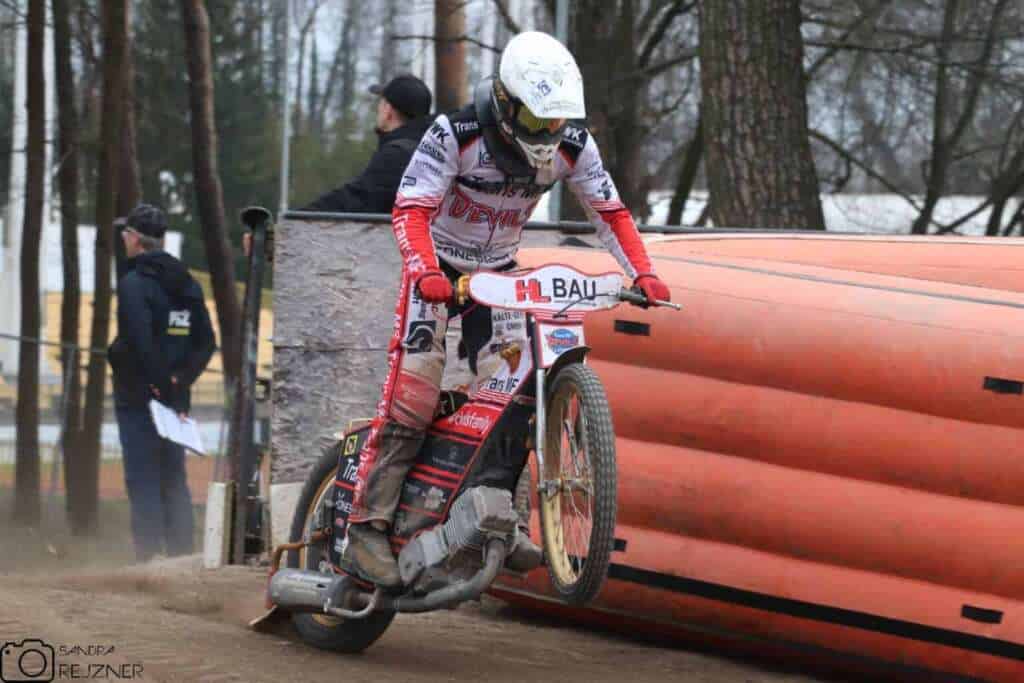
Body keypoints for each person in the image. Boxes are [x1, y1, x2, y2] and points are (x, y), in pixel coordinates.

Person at [340, 31, 671, 586]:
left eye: (557, 120)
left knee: (515, 390)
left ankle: (497, 514)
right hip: (437, 270)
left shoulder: (573, 145)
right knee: (413, 394)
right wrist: (425, 270)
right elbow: (410, 208)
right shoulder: (455, 134)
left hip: (498, 275)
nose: (549, 133)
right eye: (538, 120)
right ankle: (366, 528)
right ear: (505, 102)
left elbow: (610, 212)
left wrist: (644, 272)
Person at [109, 203, 216, 562]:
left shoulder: (133, 284)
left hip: (138, 397)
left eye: (125, 234)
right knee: (173, 480)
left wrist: (159, 384)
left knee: (143, 480)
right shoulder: (186, 282)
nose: (123, 240)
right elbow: (206, 342)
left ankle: (149, 562)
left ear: (135, 239)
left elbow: (140, 341)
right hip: (175, 402)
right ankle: (182, 559)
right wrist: (180, 382)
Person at [242, 74, 434, 257]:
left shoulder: (399, 156)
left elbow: (352, 201)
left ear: (388, 110)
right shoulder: (431, 153)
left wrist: (284, 233)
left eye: (381, 103)